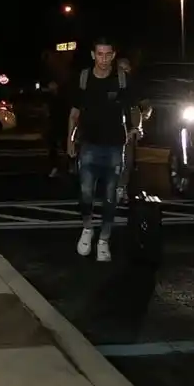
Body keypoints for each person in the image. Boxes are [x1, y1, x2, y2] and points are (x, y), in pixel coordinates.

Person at [67, 38, 140, 262]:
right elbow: (74, 113)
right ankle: (87, 228)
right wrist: (70, 140)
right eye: (100, 54)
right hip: (89, 145)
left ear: (113, 55)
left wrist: (134, 128)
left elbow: (135, 107)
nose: (104, 59)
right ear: (93, 55)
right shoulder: (84, 78)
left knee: (110, 197)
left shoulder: (121, 79)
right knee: (86, 193)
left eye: (108, 54)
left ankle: (104, 240)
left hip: (114, 147)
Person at [115, 57, 151, 201]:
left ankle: (121, 187)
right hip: (112, 126)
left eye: (126, 69)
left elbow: (145, 106)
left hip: (129, 129)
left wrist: (139, 124)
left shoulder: (135, 87)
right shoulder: (110, 85)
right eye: (120, 69)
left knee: (127, 160)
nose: (123, 72)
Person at [45, 79, 70, 177]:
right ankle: (59, 167)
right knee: (55, 148)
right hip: (56, 125)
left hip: (59, 124)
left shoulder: (59, 99)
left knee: (62, 147)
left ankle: (65, 166)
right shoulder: (53, 99)